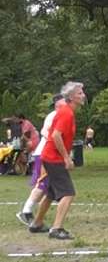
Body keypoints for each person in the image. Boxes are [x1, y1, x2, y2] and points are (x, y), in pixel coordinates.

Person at [29, 81, 86, 240]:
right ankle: (56, 228)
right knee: (68, 193)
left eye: (82, 92)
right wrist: (67, 158)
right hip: (54, 158)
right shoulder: (66, 113)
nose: (83, 95)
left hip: (49, 156)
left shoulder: (67, 112)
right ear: (71, 97)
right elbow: (55, 136)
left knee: (51, 194)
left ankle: (37, 223)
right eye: (80, 93)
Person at [16, 95, 65, 226]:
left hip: (49, 154)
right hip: (45, 154)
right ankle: (26, 212)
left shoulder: (60, 115)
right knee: (43, 184)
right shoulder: (54, 115)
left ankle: (40, 215)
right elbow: (49, 133)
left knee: (49, 187)